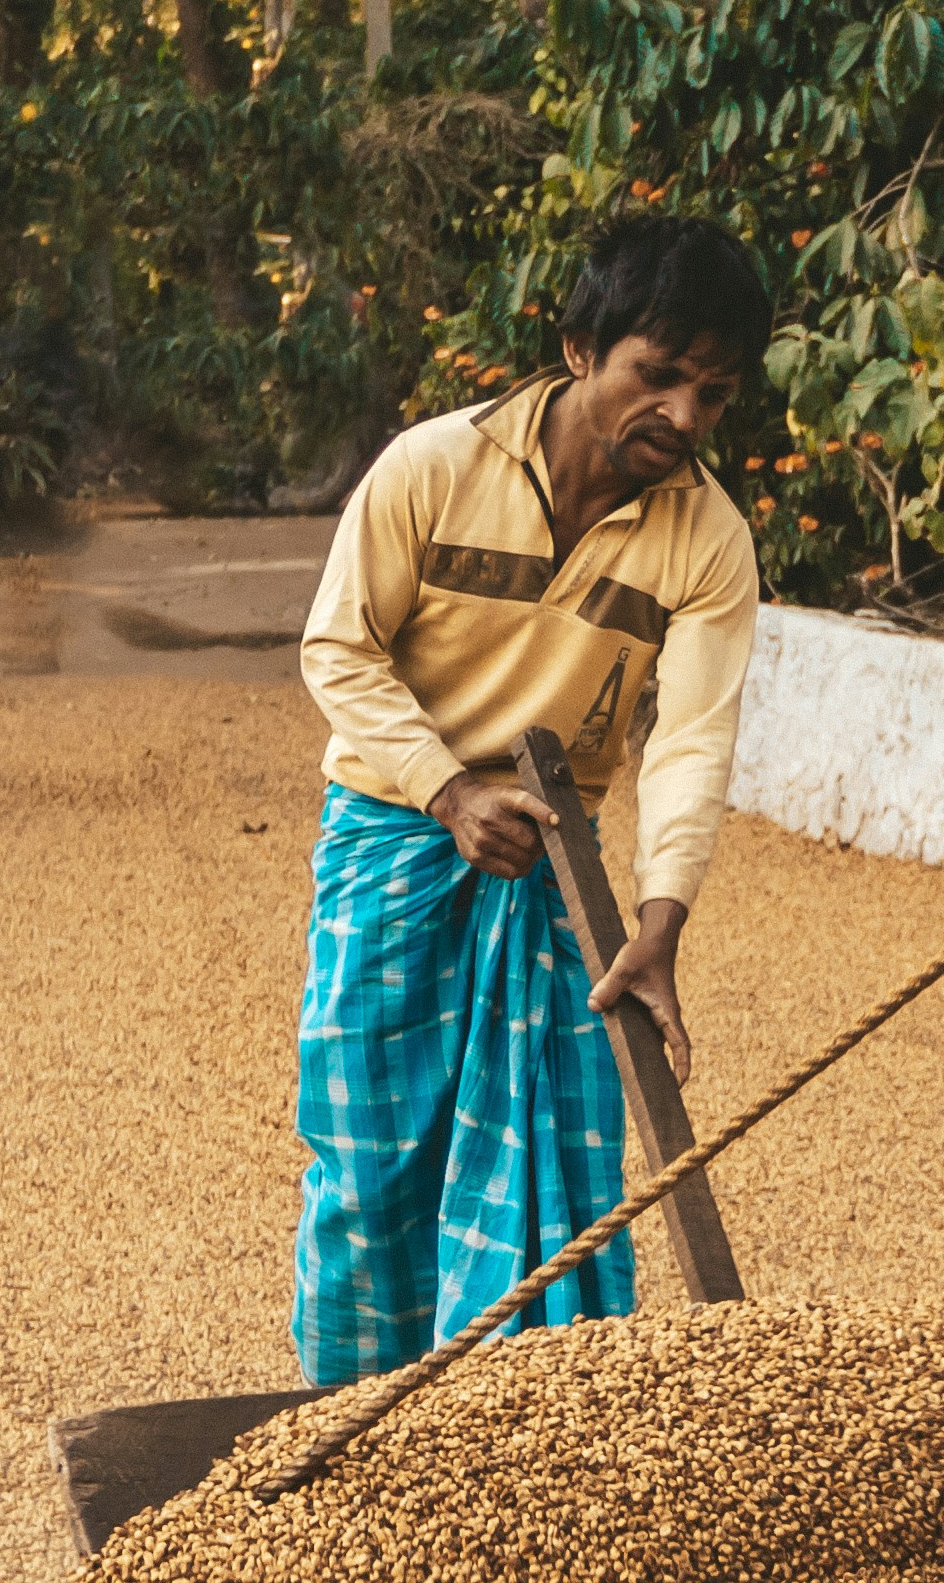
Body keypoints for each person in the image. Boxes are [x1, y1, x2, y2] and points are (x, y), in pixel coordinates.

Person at [287, 215, 769, 1390]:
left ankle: (528, 1439)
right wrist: (449, 792)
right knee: (368, 1166)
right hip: (393, 836)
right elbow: (338, 651)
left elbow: (691, 736)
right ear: (577, 350)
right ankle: (350, 1422)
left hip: (563, 867)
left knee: (553, 1175)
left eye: (714, 393)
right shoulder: (430, 467)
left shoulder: (708, 538)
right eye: (658, 377)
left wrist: (661, 923)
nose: (685, 418)